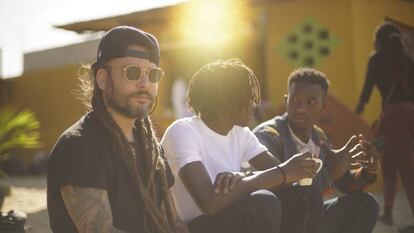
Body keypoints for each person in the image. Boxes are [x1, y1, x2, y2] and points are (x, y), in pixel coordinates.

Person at [161, 59, 346, 233]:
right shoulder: (184, 131)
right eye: (250, 96)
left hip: (235, 216)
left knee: (305, 196)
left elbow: (282, 178)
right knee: (263, 203)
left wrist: (246, 177)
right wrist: (280, 173)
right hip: (195, 226)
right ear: (230, 100)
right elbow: (210, 204)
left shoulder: (240, 134)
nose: (255, 104)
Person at [47, 26, 187, 233]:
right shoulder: (79, 147)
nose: (144, 83)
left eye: (153, 74)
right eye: (132, 72)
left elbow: (172, 221)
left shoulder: (151, 148)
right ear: (102, 79)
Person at [254, 68, 380, 233]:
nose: (300, 108)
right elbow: (278, 187)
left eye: (310, 101)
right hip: (276, 221)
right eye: (294, 100)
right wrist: (330, 174)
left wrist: (368, 172)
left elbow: (344, 183)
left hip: (309, 219)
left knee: (366, 204)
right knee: (307, 196)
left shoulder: (318, 137)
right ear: (286, 101)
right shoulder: (268, 135)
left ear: (324, 105)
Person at [355, 22, 414, 229]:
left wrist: (360, 107)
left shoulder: (376, 59)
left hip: (394, 115)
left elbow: (367, 88)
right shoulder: (406, 60)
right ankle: (388, 213)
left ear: (378, 42)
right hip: (409, 112)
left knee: (407, 170)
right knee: (389, 163)